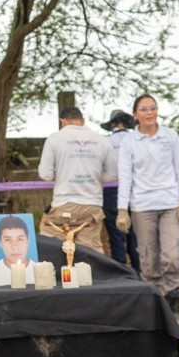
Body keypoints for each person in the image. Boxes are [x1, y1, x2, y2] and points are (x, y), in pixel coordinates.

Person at [115, 94, 179, 319]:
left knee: (172, 255)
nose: (149, 112)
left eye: (153, 108)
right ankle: (156, 305)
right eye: (144, 109)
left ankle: (174, 301)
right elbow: (125, 176)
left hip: (170, 204)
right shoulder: (129, 142)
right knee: (148, 259)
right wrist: (122, 210)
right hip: (142, 205)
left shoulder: (170, 136)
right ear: (135, 114)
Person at [37, 106, 116, 254]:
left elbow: (45, 174)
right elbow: (112, 174)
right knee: (91, 252)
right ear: (83, 120)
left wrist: (63, 175)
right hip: (92, 205)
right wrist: (94, 178)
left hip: (64, 204)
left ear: (63, 121)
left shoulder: (55, 138)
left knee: (52, 246)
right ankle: (94, 275)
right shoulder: (101, 140)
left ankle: (60, 276)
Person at [100, 109, 140, 273]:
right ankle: (139, 270)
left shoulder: (105, 142)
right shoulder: (136, 140)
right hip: (136, 190)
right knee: (136, 234)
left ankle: (121, 271)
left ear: (112, 124)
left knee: (116, 235)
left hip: (112, 191)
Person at [0, 215, 36, 286]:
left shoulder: (38, 270)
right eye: (7, 240)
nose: (15, 246)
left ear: (28, 241)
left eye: (20, 239)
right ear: (0, 243)